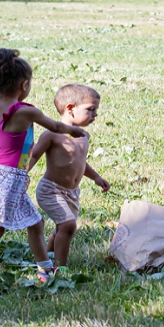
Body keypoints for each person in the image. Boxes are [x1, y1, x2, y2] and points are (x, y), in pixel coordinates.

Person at [0, 49, 86, 286]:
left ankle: (45, 270)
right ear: (24, 85)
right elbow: (55, 126)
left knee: (35, 223)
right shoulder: (26, 111)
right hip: (11, 177)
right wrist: (73, 130)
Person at [27, 84, 110, 267]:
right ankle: (60, 268)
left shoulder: (84, 136)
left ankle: (48, 253)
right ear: (70, 109)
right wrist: (22, 174)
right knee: (68, 225)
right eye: (90, 109)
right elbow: (34, 155)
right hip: (51, 190)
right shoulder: (52, 135)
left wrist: (96, 177)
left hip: (72, 193)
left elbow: (80, 162)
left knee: (62, 227)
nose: (95, 114)